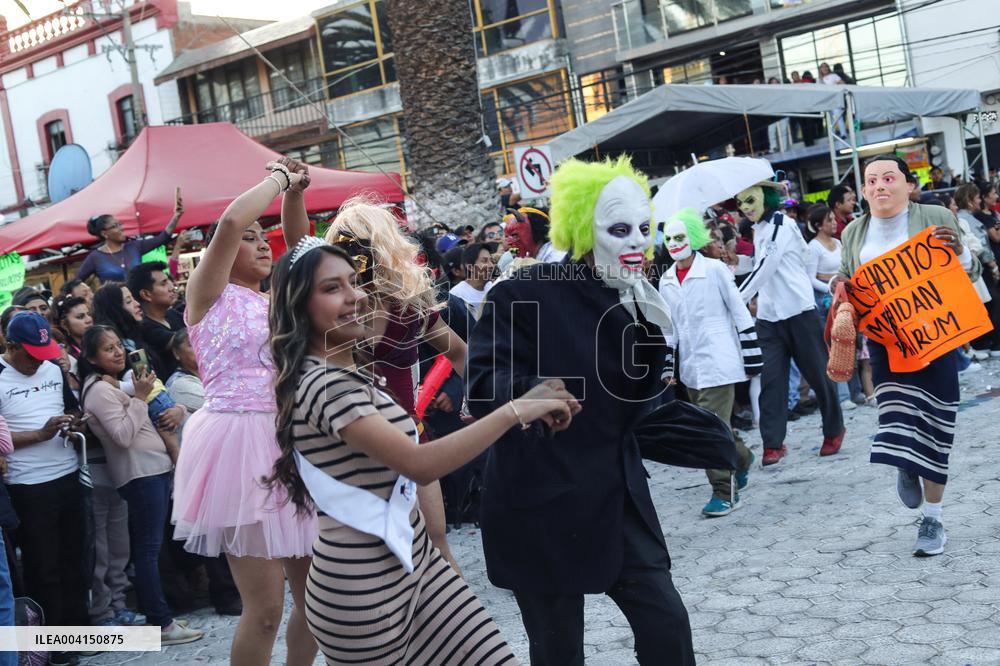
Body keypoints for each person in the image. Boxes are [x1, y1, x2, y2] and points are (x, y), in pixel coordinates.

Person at [266, 238, 576, 662]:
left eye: (354, 283)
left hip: (418, 561)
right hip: (359, 588)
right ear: (297, 304)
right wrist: (516, 410)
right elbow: (418, 464)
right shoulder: (325, 384)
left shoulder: (343, 369)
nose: (356, 296)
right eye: (332, 288)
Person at [468, 157, 696, 664]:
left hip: (616, 498)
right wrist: (533, 393)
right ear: (581, 228)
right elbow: (483, 385)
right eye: (619, 229)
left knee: (667, 626)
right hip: (541, 501)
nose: (637, 241)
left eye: (644, 228)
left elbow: (634, 405)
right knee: (557, 650)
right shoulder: (521, 292)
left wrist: (693, 434)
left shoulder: (642, 303)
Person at [171, 159, 318, 666]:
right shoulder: (207, 296)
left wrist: (295, 193)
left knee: (319, 601)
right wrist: (278, 176)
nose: (261, 244)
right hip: (236, 445)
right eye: (253, 238)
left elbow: (302, 253)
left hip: (288, 439)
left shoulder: (277, 300)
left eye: (265, 238)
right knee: (265, 610)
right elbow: (232, 221)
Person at [832, 153, 980, 556]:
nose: (880, 185)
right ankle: (906, 461)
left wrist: (961, 254)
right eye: (872, 180)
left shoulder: (934, 216)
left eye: (889, 178)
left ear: (908, 184)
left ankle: (933, 518)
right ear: (863, 190)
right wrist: (840, 287)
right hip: (886, 344)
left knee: (936, 425)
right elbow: (848, 276)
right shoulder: (854, 232)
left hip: (936, 337)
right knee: (896, 418)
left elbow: (971, 271)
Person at [319, 198, 468, 573]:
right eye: (344, 243)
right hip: (350, 448)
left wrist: (486, 399)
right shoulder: (327, 307)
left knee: (436, 546)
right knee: (372, 562)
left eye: (358, 243)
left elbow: (462, 355)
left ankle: (450, 627)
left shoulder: (409, 304)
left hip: (408, 439)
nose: (353, 253)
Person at [78, 325, 203, 645]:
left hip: (152, 469)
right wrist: (138, 398)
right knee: (148, 552)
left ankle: (159, 618)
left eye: (119, 345)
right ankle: (161, 622)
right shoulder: (97, 390)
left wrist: (166, 405)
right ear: (92, 358)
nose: (118, 352)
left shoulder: (113, 384)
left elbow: (155, 411)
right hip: (139, 474)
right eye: (108, 349)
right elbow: (121, 435)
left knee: (148, 549)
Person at [736, 175, 845, 466]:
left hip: (799, 311)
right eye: (741, 202)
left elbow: (766, 267)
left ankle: (834, 430)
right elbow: (758, 264)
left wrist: (736, 298)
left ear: (766, 197)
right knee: (771, 380)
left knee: (820, 376)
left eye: (751, 200)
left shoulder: (781, 225)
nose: (745, 207)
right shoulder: (759, 229)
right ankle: (773, 444)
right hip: (770, 317)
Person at [659, 209, 760, 517]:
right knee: (717, 426)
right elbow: (669, 328)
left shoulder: (715, 269)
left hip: (719, 359)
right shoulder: (665, 280)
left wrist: (752, 353)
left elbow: (739, 310)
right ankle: (742, 458)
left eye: (680, 237)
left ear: (693, 238)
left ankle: (723, 492)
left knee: (708, 430)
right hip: (691, 367)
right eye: (669, 239)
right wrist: (668, 364)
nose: (675, 243)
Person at [0, 312, 88, 666]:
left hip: (67, 474)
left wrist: (72, 422)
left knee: (74, 560)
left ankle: (78, 635)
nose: (40, 361)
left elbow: (72, 407)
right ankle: (50, 647)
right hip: (28, 486)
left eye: (44, 353)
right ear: (10, 347)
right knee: (43, 568)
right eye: (32, 355)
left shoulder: (53, 369)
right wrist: (39, 434)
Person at [75, 196, 183, 284]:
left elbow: (162, 238)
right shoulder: (95, 258)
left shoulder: (134, 247)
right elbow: (76, 282)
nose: (121, 228)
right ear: (104, 233)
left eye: (120, 224)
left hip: (139, 305)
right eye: (115, 226)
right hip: (115, 308)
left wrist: (176, 216)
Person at [128, 261, 185, 378]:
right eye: (163, 284)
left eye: (169, 281)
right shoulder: (145, 327)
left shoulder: (173, 314)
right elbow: (185, 341)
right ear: (146, 294)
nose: (171, 288)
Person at [449, 242, 493, 314]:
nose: (491, 265)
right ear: (470, 267)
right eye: (484, 261)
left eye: (491, 260)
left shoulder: (492, 287)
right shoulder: (457, 294)